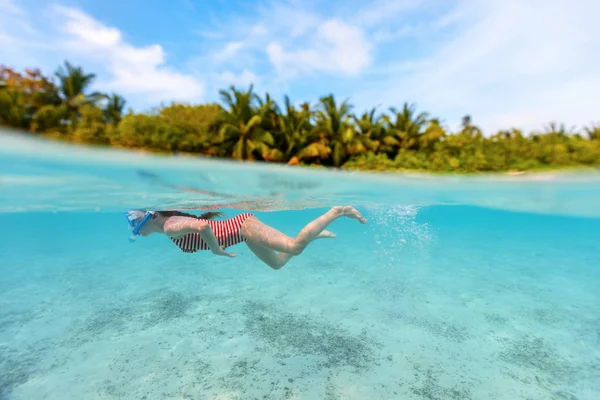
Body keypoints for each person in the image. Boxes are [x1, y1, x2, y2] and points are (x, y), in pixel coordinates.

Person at [125, 206, 367, 270]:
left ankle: (338, 211)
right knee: (277, 264)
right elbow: (202, 227)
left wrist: (216, 250)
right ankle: (313, 237)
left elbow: (201, 227)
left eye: (139, 228)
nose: (141, 233)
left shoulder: (169, 226)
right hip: (243, 236)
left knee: (294, 247)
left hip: (244, 227)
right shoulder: (170, 225)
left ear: (152, 218)